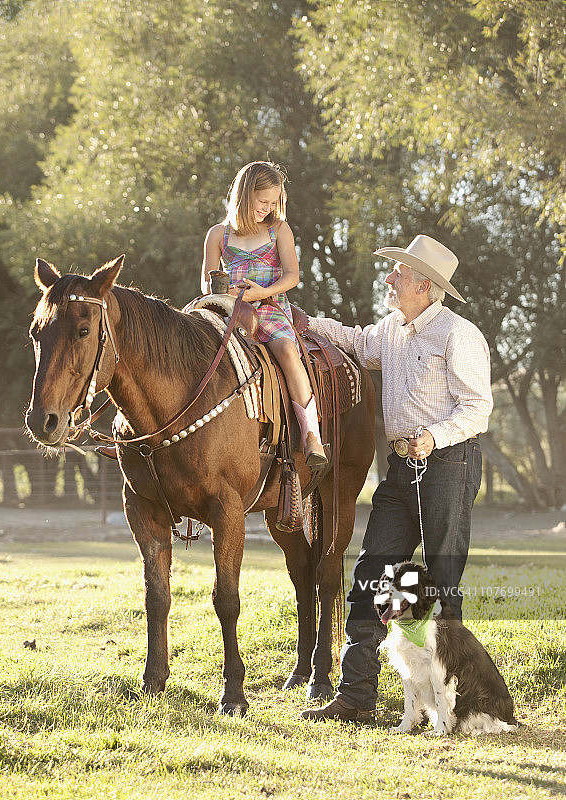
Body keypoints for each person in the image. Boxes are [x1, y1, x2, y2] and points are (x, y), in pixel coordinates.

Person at [301, 234, 493, 722]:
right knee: (370, 575)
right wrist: (304, 321)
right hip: (399, 471)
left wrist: (435, 434)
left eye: (400, 274)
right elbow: (356, 340)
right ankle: (357, 695)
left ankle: (456, 705)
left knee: (442, 585)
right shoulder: (391, 330)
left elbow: (478, 407)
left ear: (425, 286)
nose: (390, 279)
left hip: (448, 466)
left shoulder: (458, 334)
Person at [201, 160, 327, 467]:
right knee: (192, 346)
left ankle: (311, 434)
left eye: (274, 202)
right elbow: (207, 281)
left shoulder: (278, 229)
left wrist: (260, 292)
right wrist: (222, 290)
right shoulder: (218, 234)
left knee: (286, 350)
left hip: (268, 307)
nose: (268, 208)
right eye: (262, 202)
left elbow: (292, 275)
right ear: (244, 196)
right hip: (229, 309)